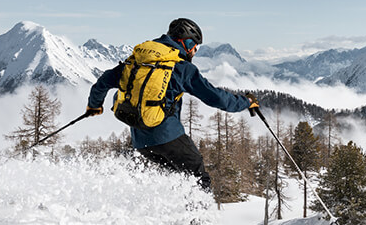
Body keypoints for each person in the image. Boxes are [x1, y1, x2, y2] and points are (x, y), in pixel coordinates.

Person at [84, 18, 259, 190]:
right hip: (167, 136)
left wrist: (94, 105)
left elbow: (103, 82)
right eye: (195, 48)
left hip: (141, 143)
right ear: (187, 43)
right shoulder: (181, 68)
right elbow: (217, 98)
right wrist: (246, 102)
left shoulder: (137, 61)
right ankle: (199, 218)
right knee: (198, 178)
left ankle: (175, 215)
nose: (194, 53)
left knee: (179, 180)